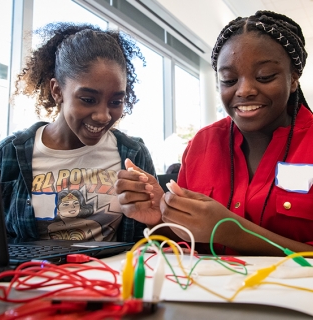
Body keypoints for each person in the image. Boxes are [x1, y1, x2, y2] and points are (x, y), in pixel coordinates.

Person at [115, 11, 313, 255]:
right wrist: (158, 218)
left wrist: (233, 232)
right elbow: (188, 244)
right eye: (229, 80)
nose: (245, 90)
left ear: (293, 79)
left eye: (264, 77)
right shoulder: (202, 144)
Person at [0, 22, 158, 242]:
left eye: (116, 101)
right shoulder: (9, 154)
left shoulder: (133, 155)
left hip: (109, 275)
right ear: (57, 91)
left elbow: (149, 242)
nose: (103, 116)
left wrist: (157, 217)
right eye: (88, 99)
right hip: (31, 276)